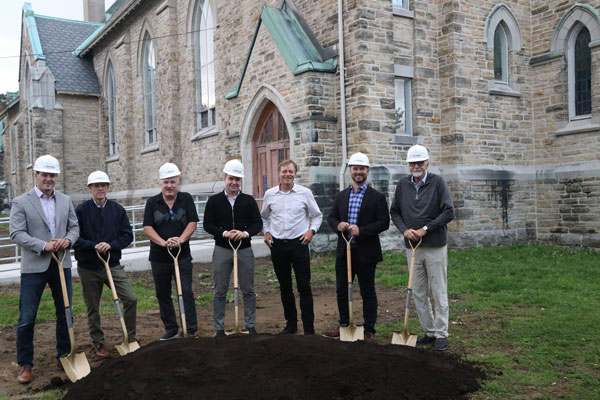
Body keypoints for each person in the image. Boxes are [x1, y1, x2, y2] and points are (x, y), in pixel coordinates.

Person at [9, 155, 80, 384]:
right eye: (44, 175)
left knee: (65, 312)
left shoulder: (65, 200)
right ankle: (25, 364)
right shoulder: (21, 202)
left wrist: (67, 241)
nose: (48, 179)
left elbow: (74, 227)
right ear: (36, 175)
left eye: (52, 175)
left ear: (56, 177)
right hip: (34, 267)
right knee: (27, 318)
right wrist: (43, 245)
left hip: (61, 264)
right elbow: (16, 233)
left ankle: (64, 355)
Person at [389, 144, 455, 351]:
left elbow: (448, 212)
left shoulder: (438, 183)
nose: (416, 166)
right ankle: (430, 332)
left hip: (434, 246)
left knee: (438, 290)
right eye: (412, 163)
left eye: (420, 162)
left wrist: (425, 229)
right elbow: (395, 211)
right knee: (418, 292)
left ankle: (442, 334)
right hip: (412, 246)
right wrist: (404, 230)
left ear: (427, 163)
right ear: (408, 165)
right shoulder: (402, 185)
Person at [325, 152, 390, 342]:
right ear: (350, 171)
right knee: (342, 290)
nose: (358, 172)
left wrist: (361, 230)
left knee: (367, 291)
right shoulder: (341, 196)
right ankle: (345, 324)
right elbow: (331, 217)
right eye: (355, 168)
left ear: (367, 171)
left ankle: (369, 330)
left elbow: (384, 223)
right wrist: (338, 226)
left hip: (366, 252)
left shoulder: (377, 197)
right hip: (344, 252)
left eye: (362, 169)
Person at [73, 171, 136, 357]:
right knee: (93, 307)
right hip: (89, 267)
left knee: (130, 298)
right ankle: (98, 343)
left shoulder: (117, 210)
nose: (100, 189)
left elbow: (127, 235)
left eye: (103, 185)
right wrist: (94, 246)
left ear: (108, 187)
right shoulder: (81, 211)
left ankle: (130, 337)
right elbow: (75, 237)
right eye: (96, 185)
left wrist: (111, 245)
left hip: (112, 264)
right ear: (90, 188)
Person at [261, 160, 323, 335]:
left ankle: (309, 328)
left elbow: (317, 216)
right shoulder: (270, 194)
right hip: (278, 245)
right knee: (285, 286)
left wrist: (311, 231)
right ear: (278, 173)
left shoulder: (305, 193)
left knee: (304, 286)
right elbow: (264, 217)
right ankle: (291, 324)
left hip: (299, 244)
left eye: (291, 171)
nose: (287, 174)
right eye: (284, 171)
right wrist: (266, 232)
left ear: (295, 174)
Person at [203, 159, 262, 338]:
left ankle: (250, 326)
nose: (234, 183)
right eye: (231, 179)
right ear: (224, 178)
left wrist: (245, 234)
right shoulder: (214, 201)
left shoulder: (248, 200)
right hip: (222, 249)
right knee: (220, 290)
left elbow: (257, 223)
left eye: (237, 179)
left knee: (248, 289)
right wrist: (224, 233)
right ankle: (219, 329)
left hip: (244, 249)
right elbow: (208, 224)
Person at [143, 163, 199, 340]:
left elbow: (192, 222)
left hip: (182, 255)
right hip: (160, 257)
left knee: (186, 291)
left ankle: (190, 329)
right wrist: (163, 243)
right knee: (163, 293)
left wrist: (181, 240)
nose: (169, 186)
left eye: (173, 182)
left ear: (178, 182)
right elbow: (147, 227)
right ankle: (171, 329)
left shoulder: (186, 199)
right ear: (161, 183)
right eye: (166, 182)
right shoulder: (152, 202)